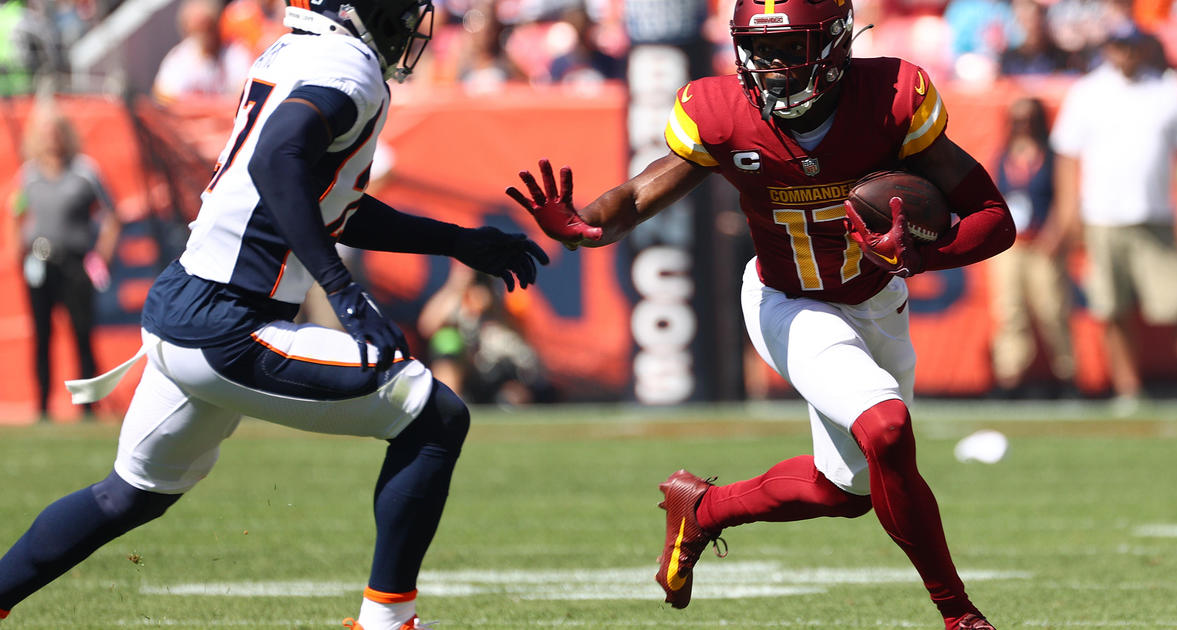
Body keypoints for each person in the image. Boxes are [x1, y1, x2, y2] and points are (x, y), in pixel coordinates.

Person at [0, 1, 547, 629]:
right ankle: (388, 623)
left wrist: (453, 239)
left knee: (127, 496)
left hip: (191, 303)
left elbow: (326, 201)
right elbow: (275, 163)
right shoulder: (347, 66)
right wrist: (342, 289)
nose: (407, 19)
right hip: (231, 323)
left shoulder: (297, 52)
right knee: (434, 417)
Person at [507, 0, 1015, 626]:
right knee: (885, 428)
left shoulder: (892, 97)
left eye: (787, 48)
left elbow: (996, 219)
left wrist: (920, 258)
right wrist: (588, 225)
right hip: (788, 301)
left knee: (845, 490)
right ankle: (959, 615)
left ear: (832, 44)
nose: (769, 66)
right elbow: (641, 191)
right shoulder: (721, 111)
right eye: (756, 47)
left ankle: (703, 509)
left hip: (877, 301)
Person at [1049, 24, 1177, 413]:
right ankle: (1129, 391)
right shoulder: (1087, 92)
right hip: (1102, 216)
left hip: (1156, 218)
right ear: (1108, 48)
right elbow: (1068, 155)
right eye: (1118, 46)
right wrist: (1069, 210)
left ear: (1142, 49)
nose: (1125, 54)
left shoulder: (1167, 91)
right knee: (1111, 309)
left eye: (1131, 46)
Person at [7, 101, 119, 422]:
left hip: (75, 264)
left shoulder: (84, 171)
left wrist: (101, 257)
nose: (51, 139)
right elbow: (15, 212)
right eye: (45, 133)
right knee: (42, 336)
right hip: (40, 264)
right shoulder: (28, 175)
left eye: (56, 131)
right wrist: (17, 250)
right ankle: (42, 406)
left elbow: (111, 216)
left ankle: (87, 407)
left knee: (82, 333)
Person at [988, 97, 1078, 398]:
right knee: (1010, 309)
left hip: (1043, 242)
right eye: (1017, 119)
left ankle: (1067, 375)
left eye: (1028, 119)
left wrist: (1056, 233)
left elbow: (1065, 196)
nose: (1022, 125)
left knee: (1052, 309)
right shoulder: (1002, 155)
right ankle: (1009, 376)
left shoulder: (1051, 156)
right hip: (1011, 245)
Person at [417, 264, 554, 406]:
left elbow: (521, 337)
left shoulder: (504, 298)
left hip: (499, 371)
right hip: (469, 371)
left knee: (515, 389)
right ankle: (448, 405)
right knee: (446, 340)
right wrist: (457, 284)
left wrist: (495, 297)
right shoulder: (455, 301)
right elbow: (426, 326)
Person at [151, 0, 253, 104]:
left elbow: (245, 93)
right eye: (197, 26)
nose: (203, 32)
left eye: (207, 25)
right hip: (190, 118)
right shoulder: (179, 57)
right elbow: (163, 95)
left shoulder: (234, 52)